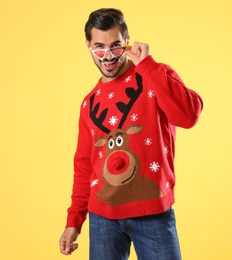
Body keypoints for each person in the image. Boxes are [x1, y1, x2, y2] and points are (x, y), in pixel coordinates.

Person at [59, 8, 203, 260]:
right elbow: (84, 166)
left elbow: (188, 116)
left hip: (153, 214)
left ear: (126, 42)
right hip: (103, 219)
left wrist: (147, 65)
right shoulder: (89, 103)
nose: (108, 56)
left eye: (116, 46)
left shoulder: (153, 75)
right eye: (99, 47)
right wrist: (74, 221)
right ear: (88, 46)